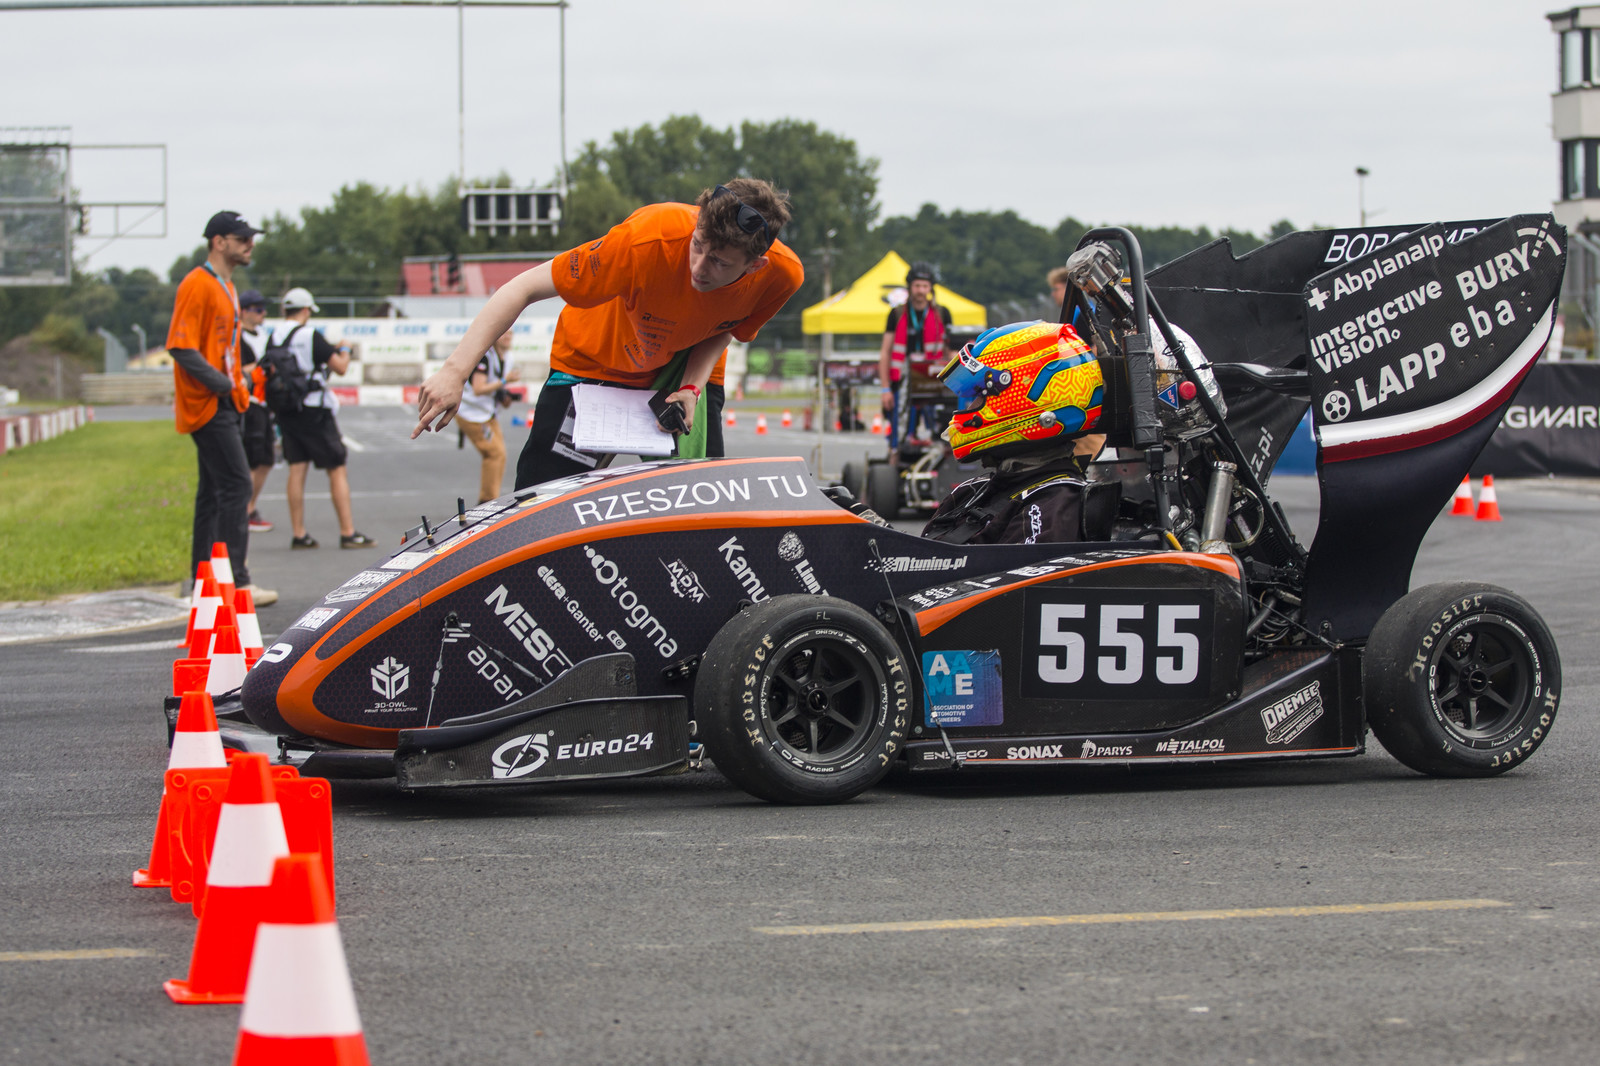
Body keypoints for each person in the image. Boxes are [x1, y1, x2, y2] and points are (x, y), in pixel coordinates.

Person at [411, 179, 804, 489]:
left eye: (719, 262)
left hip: (680, 371)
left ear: (755, 266)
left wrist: (691, 388)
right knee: (540, 502)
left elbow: (724, 326)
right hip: (593, 361)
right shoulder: (644, 239)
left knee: (702, 499)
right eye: (697, 245)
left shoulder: (782, 276)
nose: (698, 268)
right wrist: (454, 371)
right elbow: (522, 288)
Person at [166, 211, 276, 605]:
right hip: (209, 402)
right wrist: (222, 384)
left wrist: (236, 384)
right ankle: (237, 583)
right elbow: (180, 346)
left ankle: (204, 584)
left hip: (226, 399)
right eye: (242, 239)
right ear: (219, 241)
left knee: (212, 493)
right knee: (237, 485)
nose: (250, 245)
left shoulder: (227, 286)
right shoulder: (197, 283)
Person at [922, 320, 1107, 545]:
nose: (970, 407)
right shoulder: (971, 491)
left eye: (981, 395)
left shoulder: (1052, 507)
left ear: (1019, 400)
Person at [270, 287, 375, 550]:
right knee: (336, 467)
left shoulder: (275, 336)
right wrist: (345, 349)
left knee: (297, 468)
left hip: (287, 408)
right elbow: (340, 367)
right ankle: (347, 532)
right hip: (315, 409)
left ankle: (299, 533)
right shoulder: (310, 335)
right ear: (306, 310)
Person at [877, 261, 953, 450]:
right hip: (902, 382)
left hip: (934, 382)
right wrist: (885, 389)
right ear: (910, 287)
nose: (921, 290)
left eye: (925, 286)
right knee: (899, 432)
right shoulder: (896, 314)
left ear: (930, 288)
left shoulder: (942, 313)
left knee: (939, 430)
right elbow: (885, 352)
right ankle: (896, 456)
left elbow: (950, 349)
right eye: (917, 285)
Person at [457, 327, 521, 503]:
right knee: (494, 454)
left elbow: (495, 386)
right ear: (495, 336)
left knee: (500, 455)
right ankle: (487, 501)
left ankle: (491, 498)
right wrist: (505, 381)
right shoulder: (484, 357)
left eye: (510, 333)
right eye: (504, 333)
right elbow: (479, 389)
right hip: (472, 413)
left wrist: (504, 396)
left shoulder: (507, 357)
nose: (508, 336)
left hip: (488, 413)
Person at [236, 288, 276, 532]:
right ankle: (244, 511)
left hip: (264, 403)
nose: (263, 314)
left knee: (265, 460)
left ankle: (249, 507)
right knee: (254, 460)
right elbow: (239, 370)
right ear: (244, 312)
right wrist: (259, 367)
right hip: (249, 403)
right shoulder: (238, 338)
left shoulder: (264, 336)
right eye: (258, 309)